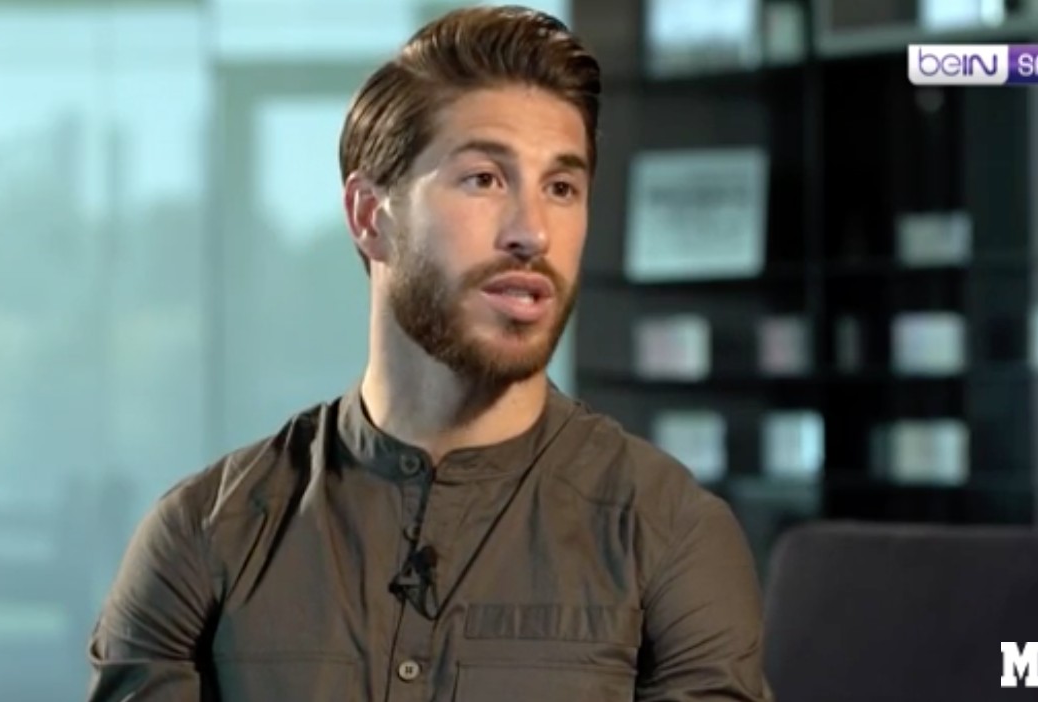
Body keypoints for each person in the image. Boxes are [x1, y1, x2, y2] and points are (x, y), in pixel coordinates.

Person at [86, 5, 773, 701]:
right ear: (369, 216)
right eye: (483, 179)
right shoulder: (203, 538)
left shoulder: (671, 537)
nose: (532, 232)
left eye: (561, 188)